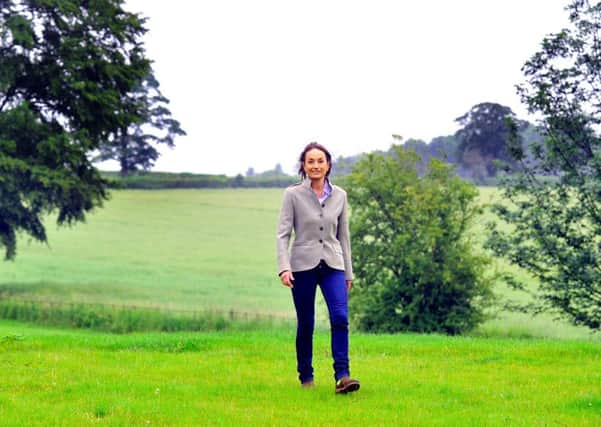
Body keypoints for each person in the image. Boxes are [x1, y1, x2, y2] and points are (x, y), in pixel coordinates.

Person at [276, 142, 360, 394]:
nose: (315, 165)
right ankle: (306, 376)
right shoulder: (292, 194)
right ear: (304, 165)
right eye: (310, 161)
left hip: (333, 264)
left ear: (328, 165)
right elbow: (283, 234)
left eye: (320, 161)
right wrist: (284, 267)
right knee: (306, 322)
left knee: (340, 317)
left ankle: (342, 376)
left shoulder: (340, 196)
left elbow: (343, 236)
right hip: (302, 265)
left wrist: (348, 271)